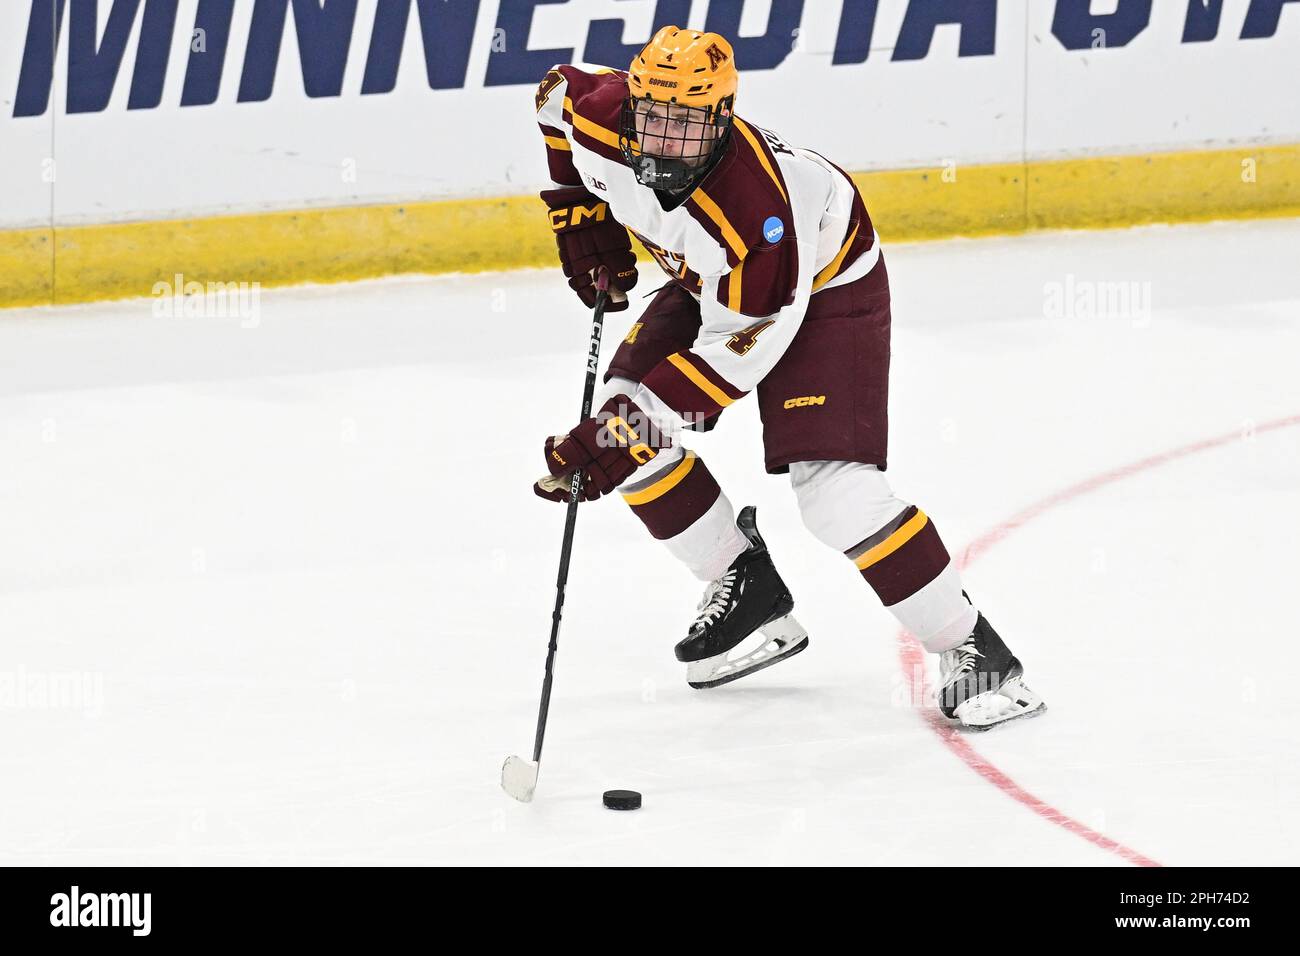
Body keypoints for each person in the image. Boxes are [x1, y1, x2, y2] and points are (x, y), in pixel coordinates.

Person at [530, 27, 1044, 729]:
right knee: (623, 416)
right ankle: (743, 590)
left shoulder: (758, 219)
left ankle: (977, 652)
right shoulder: (599, 114)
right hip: (712, 280)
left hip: (825, 285)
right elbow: (554, 93)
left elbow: (724, 363)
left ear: (722, 118)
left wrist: (616, 438)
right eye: (653, 118)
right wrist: (578, 212)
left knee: (836, 496)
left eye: (686, 125)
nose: (662, 142)